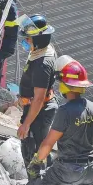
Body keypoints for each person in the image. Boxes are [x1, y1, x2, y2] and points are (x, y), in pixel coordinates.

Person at [15, 59, 93, 185]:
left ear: (66, 86)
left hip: (67, 170)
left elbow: (48, 142)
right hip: (89, 170)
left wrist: (36, 162)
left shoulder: (65, 110)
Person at [15, 14, 58, 171]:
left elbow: (39, 99)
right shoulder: (42, 50)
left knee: (33, 152)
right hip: (37, 108)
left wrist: (26, 125)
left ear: (38, 39)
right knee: (39, 148)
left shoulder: (42, 63)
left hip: (39, 110)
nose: (26, 41)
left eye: (28, 39)